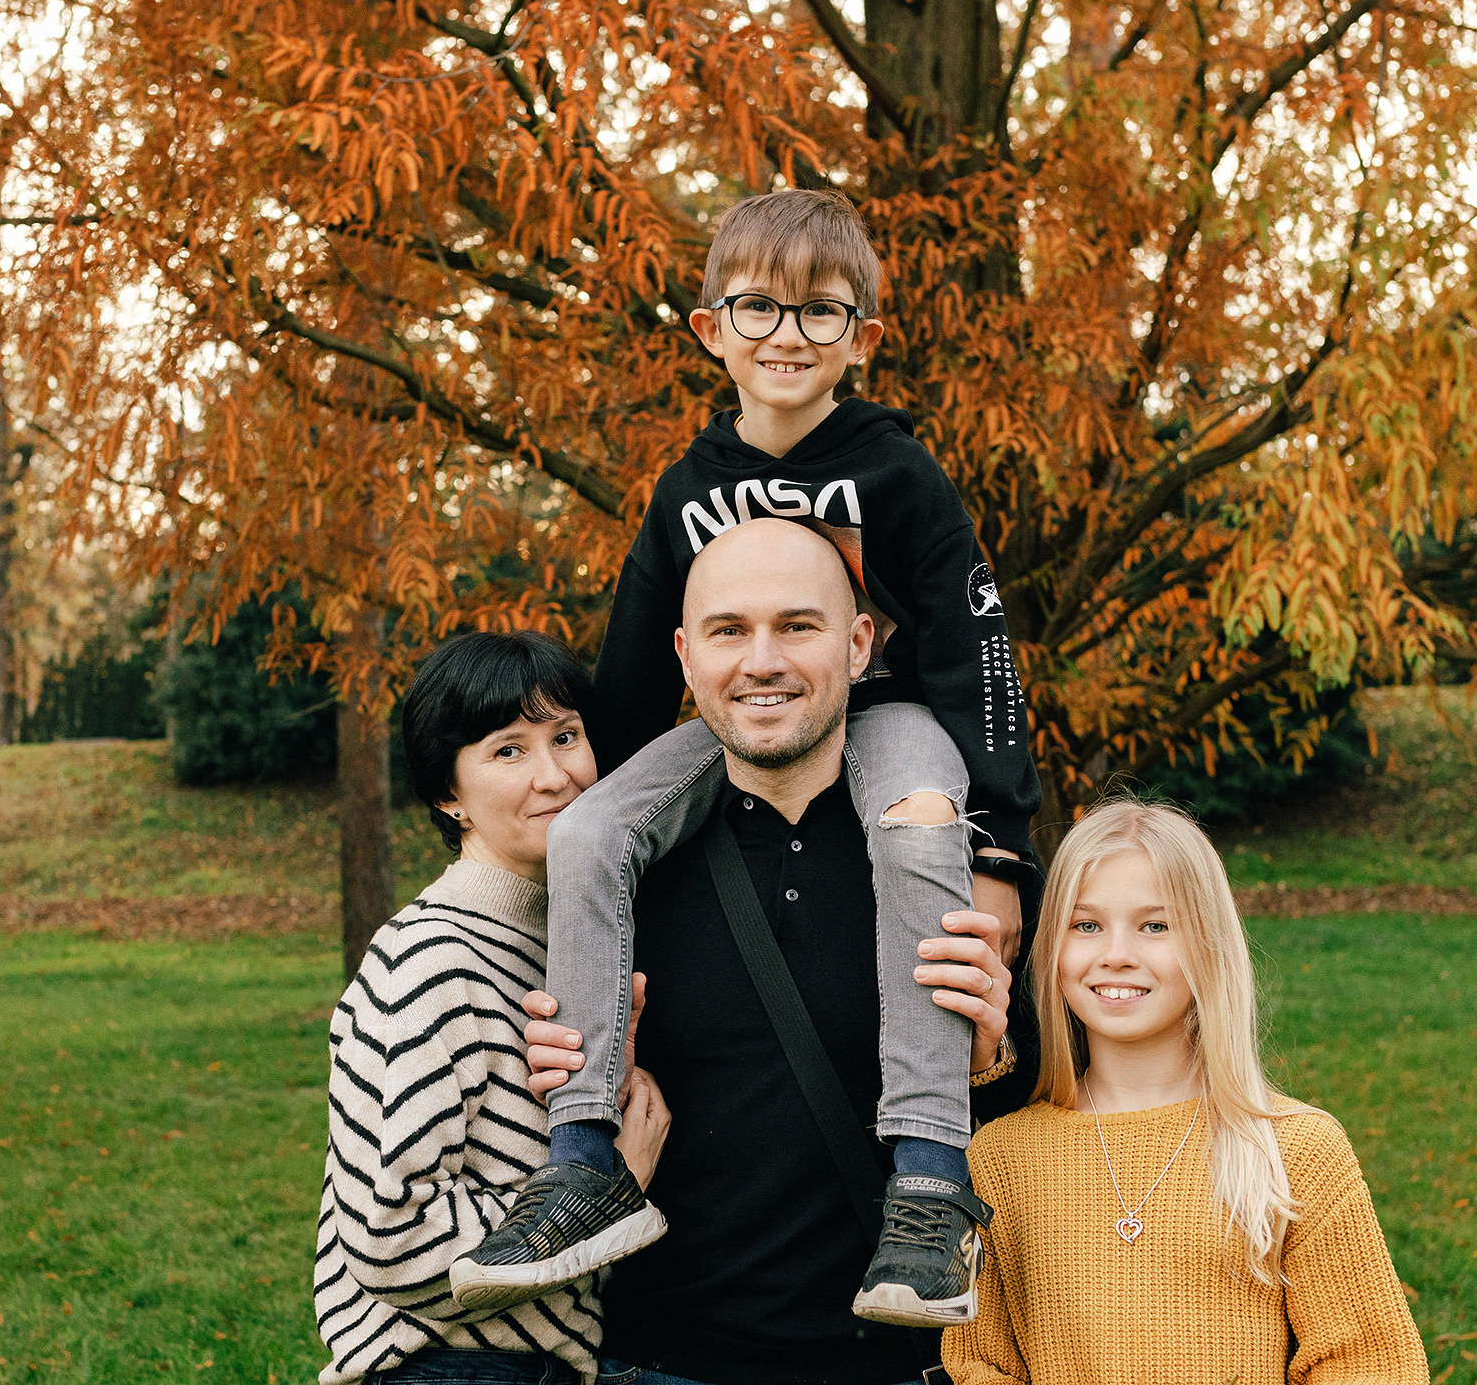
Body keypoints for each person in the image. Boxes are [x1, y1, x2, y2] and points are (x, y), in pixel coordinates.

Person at [451, 187, 1043, 1330]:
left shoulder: (900, 476)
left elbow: (979, 656)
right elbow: (630, 666)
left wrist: (1003, 854)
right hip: (724, 736)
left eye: (819, 312)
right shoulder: (685, 490)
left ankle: (926, 1177)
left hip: (886, 720)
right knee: (588, 831)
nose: (785, 333)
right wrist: (593, 814)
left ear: (862, 339)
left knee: (918, 812)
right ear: (708, 328)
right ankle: (581, 1157)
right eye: (756, 306)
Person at [501, 518, 1028, 1385]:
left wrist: (989, 1054)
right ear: (684, 654)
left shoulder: (942, 858)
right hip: (663, 1358)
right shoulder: (625, 868)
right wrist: (584, 1059)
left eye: (797, 626)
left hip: (899, 1363)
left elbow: (1061, 1102)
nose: (762, 661)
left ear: (860, 644)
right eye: (728, 631)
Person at [940, 800, 1430, 1385]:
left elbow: (1372, 1366)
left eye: (1155, 926)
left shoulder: (1295, 1151)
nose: (1116, 955)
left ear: (1208, 945)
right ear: (1051, 949)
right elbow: (980, 1364)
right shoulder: (1000, 1158)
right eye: (1087, 924)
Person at [314, 631, 673, 1385]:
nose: (556, 776)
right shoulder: (428, 959)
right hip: (451, 1369)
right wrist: (605, 1194)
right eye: (508, 750)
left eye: (566, 737)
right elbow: (391, 1237)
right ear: (449, 793)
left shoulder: (572, 934)